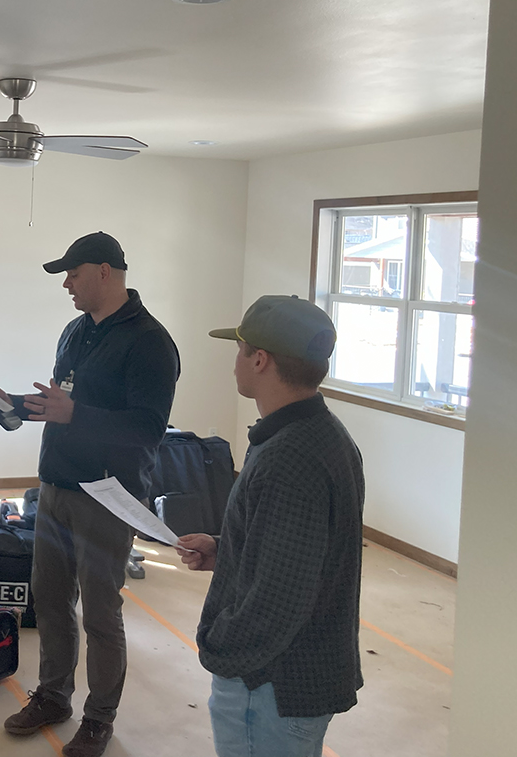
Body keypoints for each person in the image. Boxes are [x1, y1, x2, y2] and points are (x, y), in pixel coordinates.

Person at [0, 231, 181, 757]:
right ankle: (53, 696)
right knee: (50, 602)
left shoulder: (150, 342)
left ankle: (99, 719)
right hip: (54, 484)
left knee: (100, 613)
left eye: (73, 275)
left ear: (105, 271)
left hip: (107, 495)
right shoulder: (75, 332)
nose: (67, 286)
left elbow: (147, 428)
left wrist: (77, 415)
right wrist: (16, 405)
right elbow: (65, 401)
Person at [178, 295, 365, 757]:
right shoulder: (324, 436)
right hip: (291, 683)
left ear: (259, 359)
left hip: (269, 689)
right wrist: (227, 550)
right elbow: (303, 552)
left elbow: (281, 598)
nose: (235, 361)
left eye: (239, 348)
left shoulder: (288, 457)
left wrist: (220, 649)